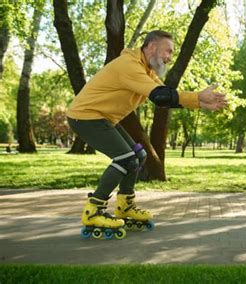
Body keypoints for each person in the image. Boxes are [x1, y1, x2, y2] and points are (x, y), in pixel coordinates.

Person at [67, 30, 227, 239]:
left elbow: (167, 97)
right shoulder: (129, 66)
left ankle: (125, 206)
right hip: (86, 116)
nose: (170, 57)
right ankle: (93, 210)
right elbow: (159, 96)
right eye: (168, 51)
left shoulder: (147, 71)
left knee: (138, 155)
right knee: (125, 159)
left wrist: (200, 102)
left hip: (105, 118)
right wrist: (197, 96)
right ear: (152, 47)